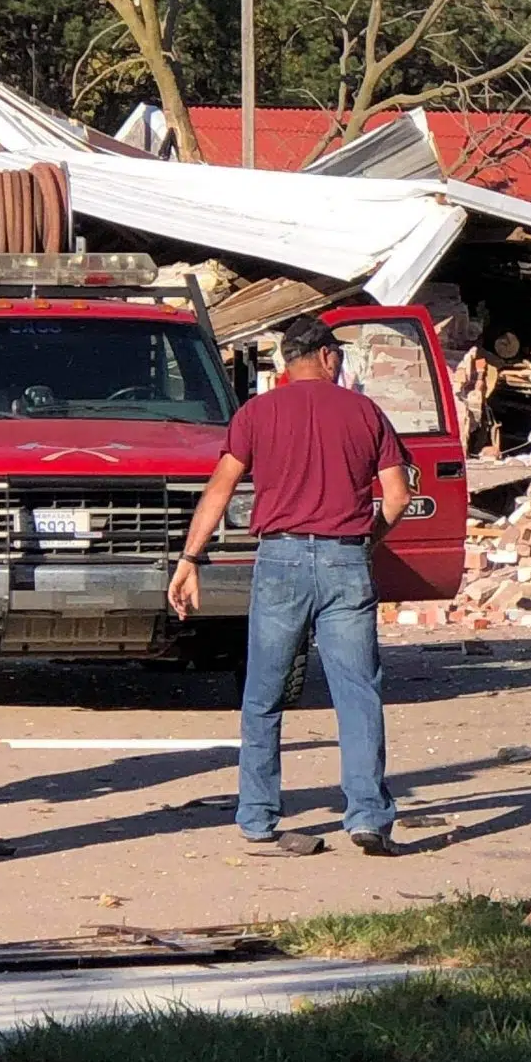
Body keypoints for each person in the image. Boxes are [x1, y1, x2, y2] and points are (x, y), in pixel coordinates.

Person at [169, 315, 412, 858]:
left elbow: (218, 489)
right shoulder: (365, 412)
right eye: (340, 356)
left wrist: (190, 559)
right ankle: (368, 817)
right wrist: (366, 542)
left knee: (264, 694)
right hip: (344, 559)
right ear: (327, 356)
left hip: (278, 560)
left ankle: (257, 815)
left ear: (285, 362)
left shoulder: (256, 413)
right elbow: (395, 497)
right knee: (358, 693)